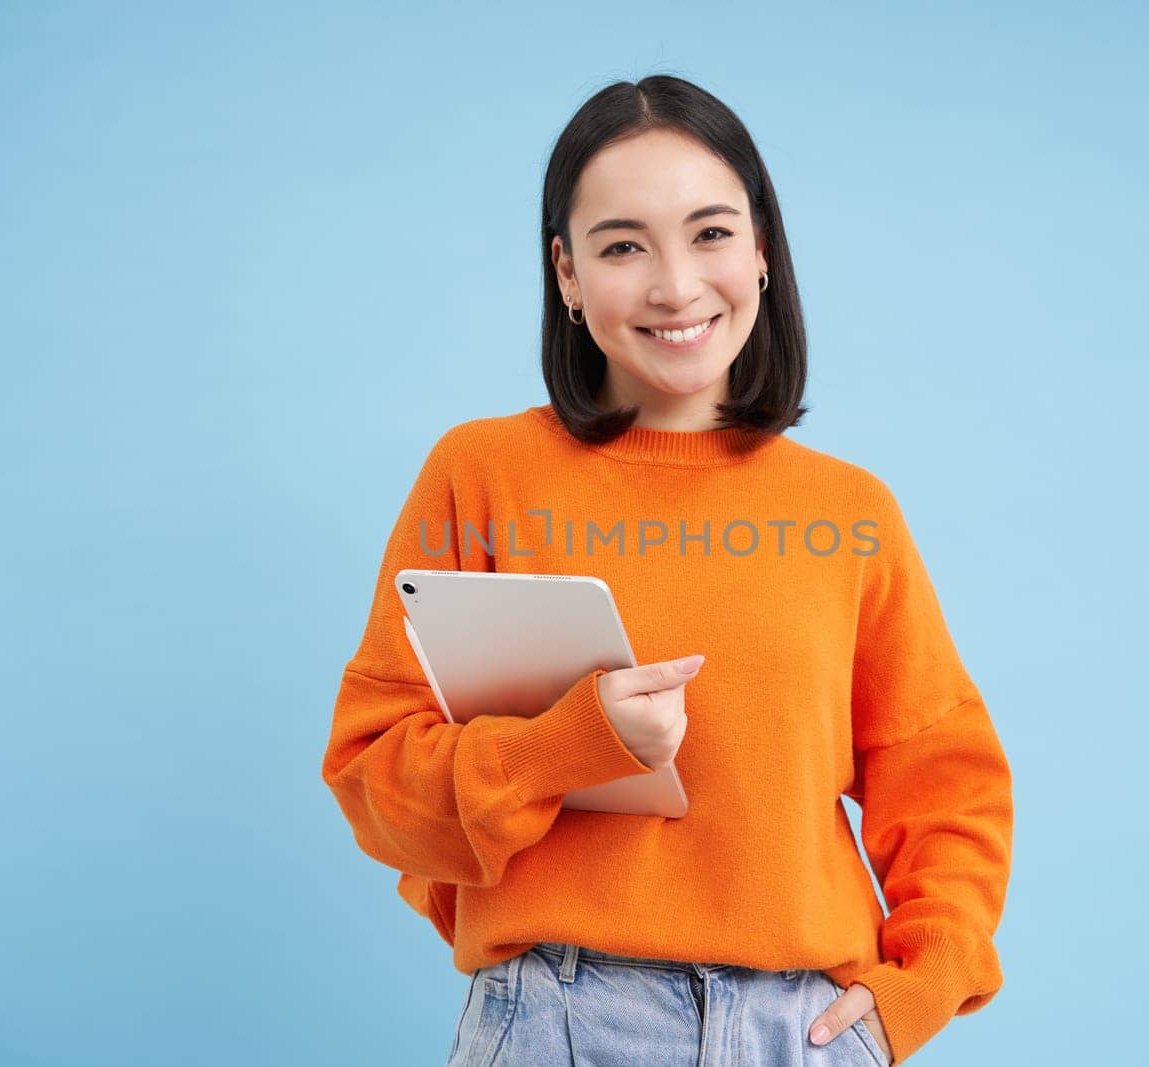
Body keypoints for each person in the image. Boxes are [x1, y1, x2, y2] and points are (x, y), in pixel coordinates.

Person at [320, 74, 1013, 1066]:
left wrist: (921, 983)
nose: (675, 285)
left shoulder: (848, 512)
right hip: (556, 1017)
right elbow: (373, 779)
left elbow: (946, 784)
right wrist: (569, 743)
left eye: (712, 233)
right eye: (620, 245)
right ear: (564, 272)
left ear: (763, 250)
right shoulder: (483, 476)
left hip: (801, 1029)